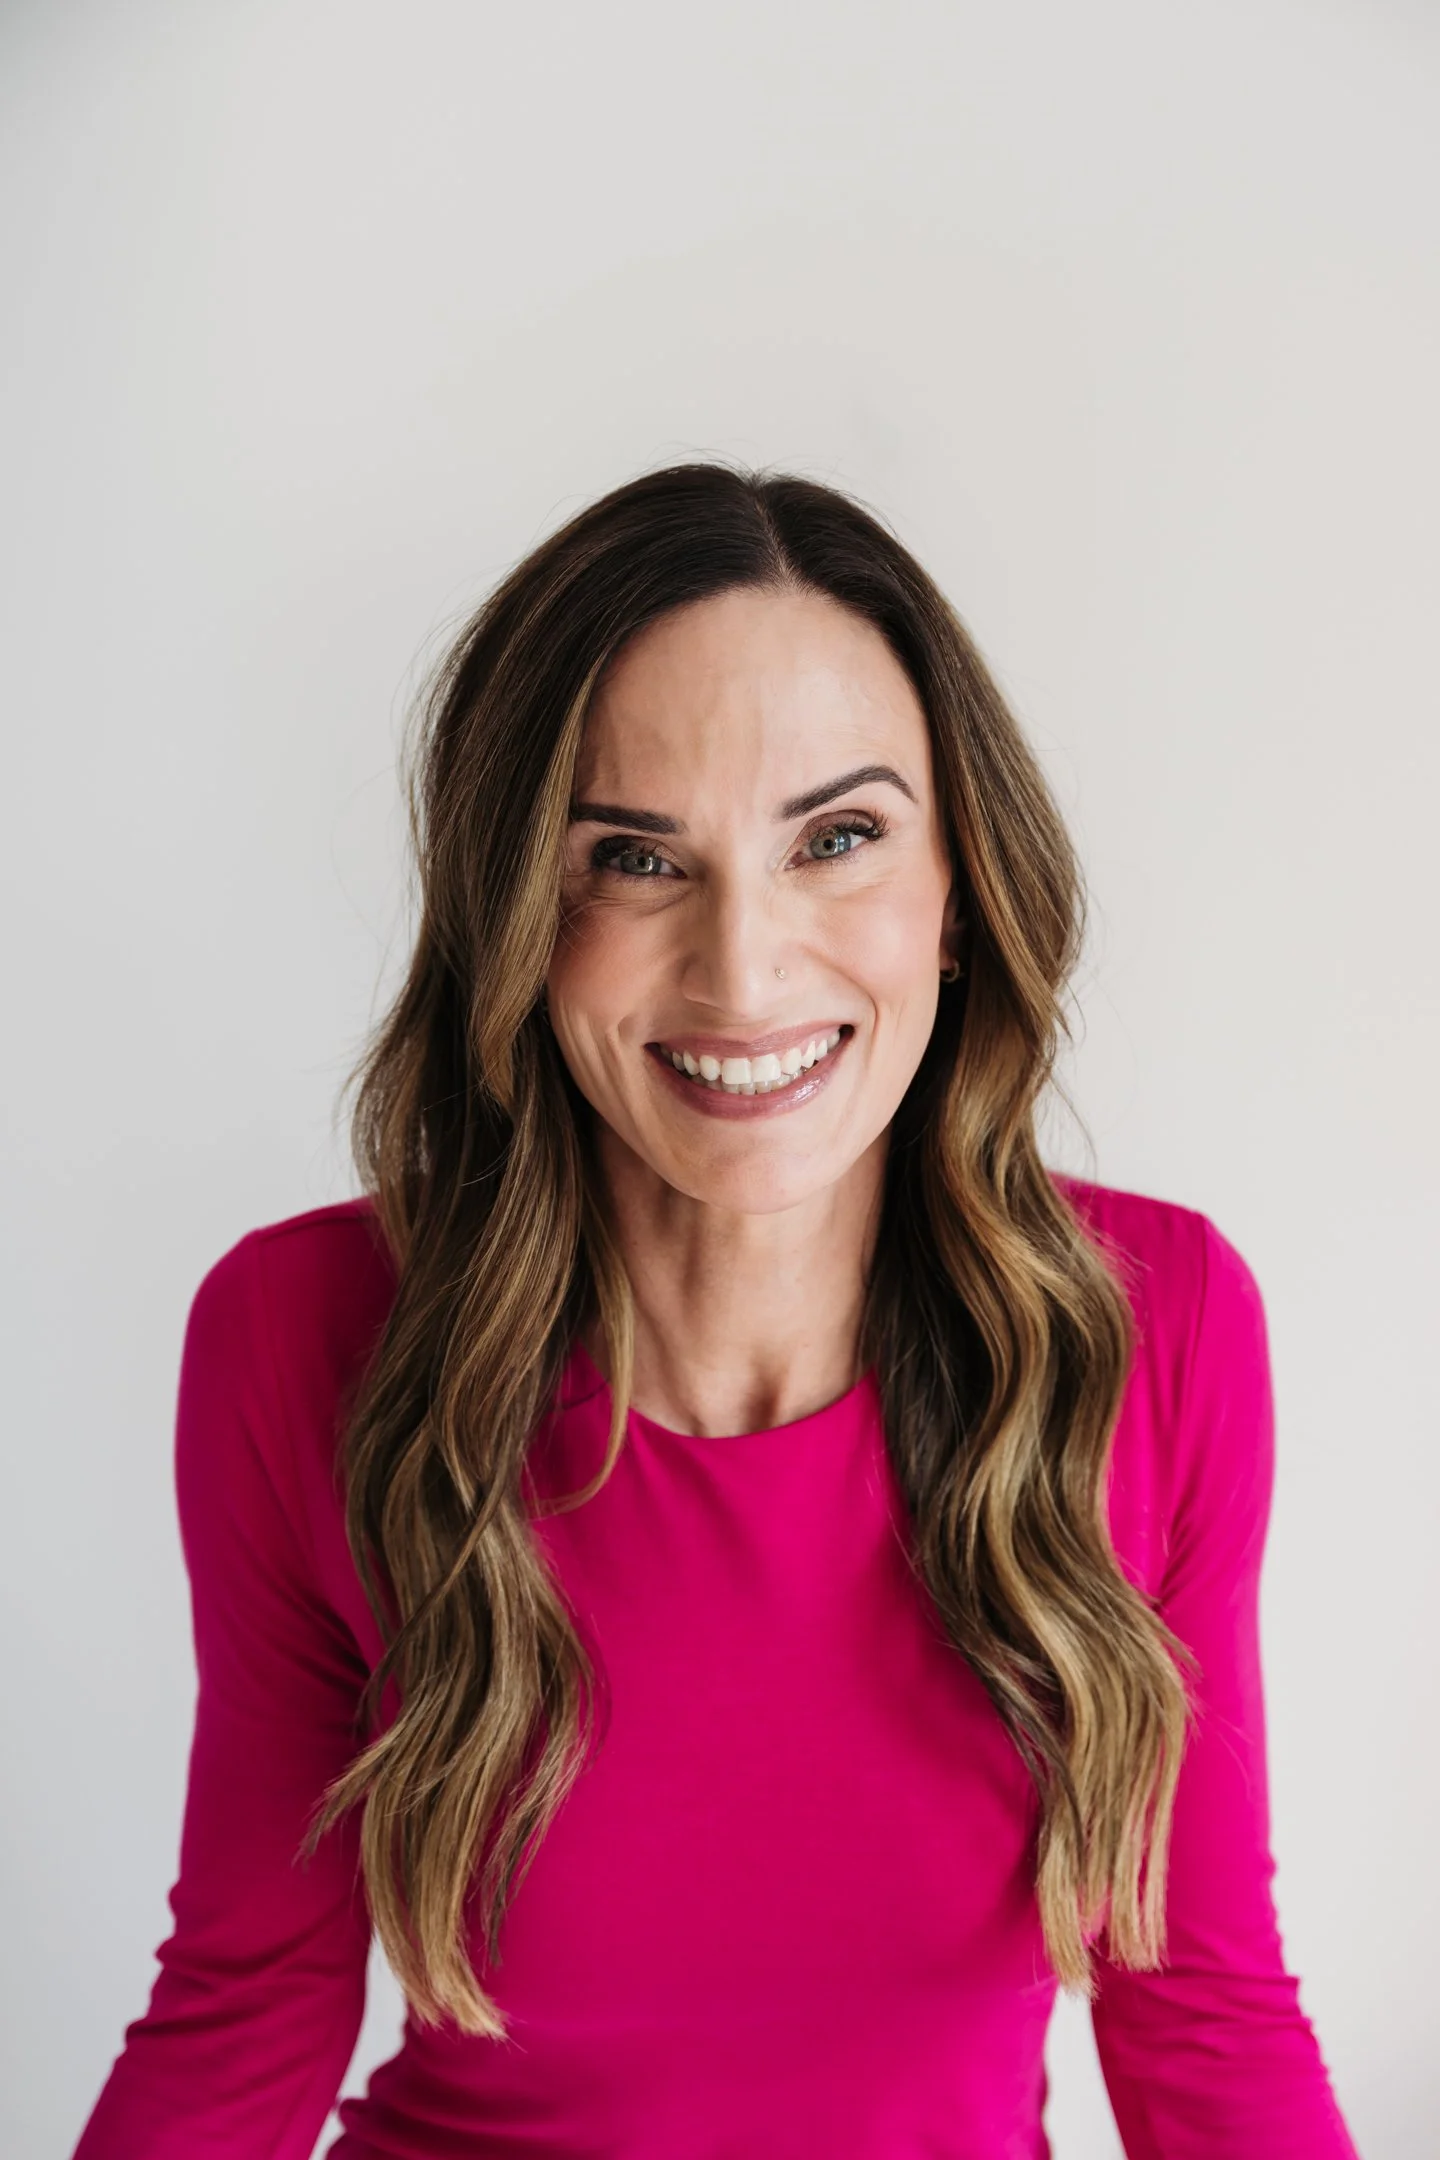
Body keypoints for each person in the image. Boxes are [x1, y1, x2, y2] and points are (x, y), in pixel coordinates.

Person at [72, 463, 1359, 2159]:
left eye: (838, 838)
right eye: (633, 860)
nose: (743, 973)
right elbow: (243, 2015)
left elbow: (1203, 2017)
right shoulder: (302, 1339)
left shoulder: (1153, 1331)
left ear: (959, 889)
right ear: (525, 924)